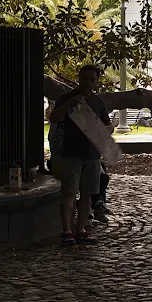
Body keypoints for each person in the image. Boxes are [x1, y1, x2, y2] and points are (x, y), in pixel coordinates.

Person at [49, 65, 113, 246]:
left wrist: (107, 129)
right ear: (79, 79)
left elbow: (107, 125)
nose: (87, 82)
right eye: (84, 78)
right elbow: (53, 118)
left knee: (87, 194)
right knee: (69, 193)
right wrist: (70, 104)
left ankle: (81, 229)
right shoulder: (67, 98)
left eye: (91, 79)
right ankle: (67, 231)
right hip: (72, 154)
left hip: (92, 155)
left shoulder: (99, 103)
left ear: (96, 81)